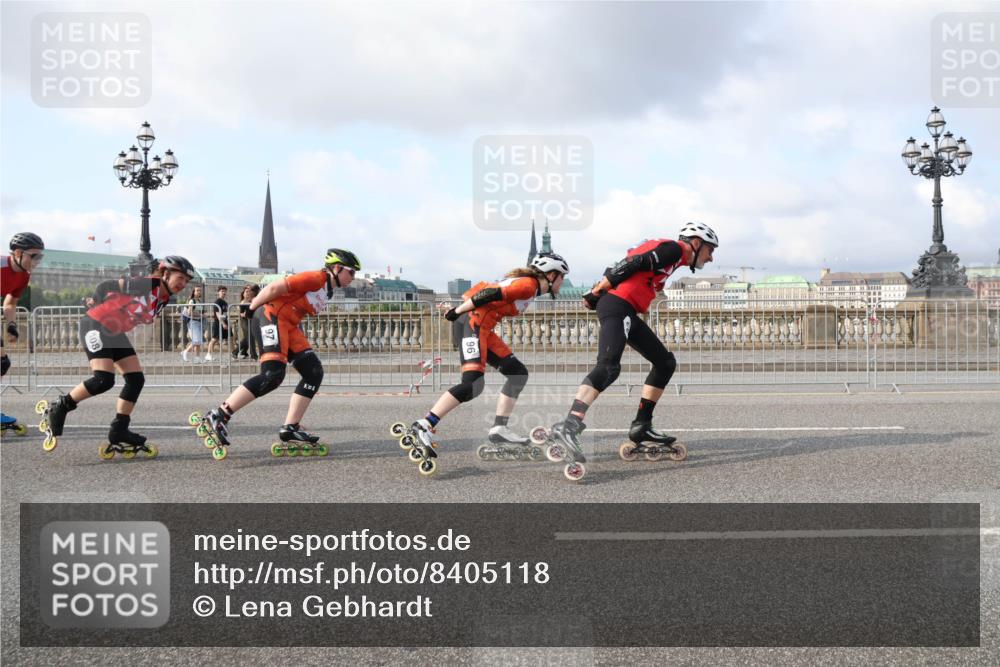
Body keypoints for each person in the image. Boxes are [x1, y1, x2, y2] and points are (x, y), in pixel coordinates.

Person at [548, 222, 719, 473]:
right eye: (710, 250)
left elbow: (626, 262)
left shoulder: (672, 258)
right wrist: (597, 290)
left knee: (665, 363)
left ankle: (642, 425)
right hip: (618, 305)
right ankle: (570, 425)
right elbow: (632, 263)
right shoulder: (675, 249)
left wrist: (600, 289)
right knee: (608, 367)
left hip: (623, 307)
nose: (711, 257)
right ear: (696, 243)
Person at [395, 252, 570, 476]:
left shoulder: (532, 288)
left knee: (517, 373)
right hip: (472, 324)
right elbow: (490, 292)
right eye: (562, 277)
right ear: (552, 275)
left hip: (484, 329)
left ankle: (499, 429)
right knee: (472, 385)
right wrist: (456, 311)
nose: (563, 282)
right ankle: (425, 424)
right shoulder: (528, 284)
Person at [193, 249, 360, 459]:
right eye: (351, 273)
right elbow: (275, 287)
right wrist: (252, 308)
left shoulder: (328, 290)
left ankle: (290, 427)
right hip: (271, 317)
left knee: (313, 372)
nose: (353, 278)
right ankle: (219, 414)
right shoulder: (316, 278)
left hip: (290, 325)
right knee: (272, 376)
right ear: (336, 268)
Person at [39, 256, 195, 457]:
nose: (183, 284)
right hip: (96, 323)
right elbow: (106, 285)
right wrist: (94, 302)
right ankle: (60, 406)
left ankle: (119, 429)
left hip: (114, 332)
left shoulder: (164, 298)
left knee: (135, 379)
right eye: (180, 278)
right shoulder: (147, 284)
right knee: (103, 379)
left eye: (186, 281)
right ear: (165, 273)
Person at [1, 233, 44, 435]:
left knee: (2, 363)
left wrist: (11, 324)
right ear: (18, 253)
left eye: (40, 257)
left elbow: (9, 302)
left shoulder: (24, 275)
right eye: (34, 256)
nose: (37, 261)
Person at [231, 284, 259, 359]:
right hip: (244, 322)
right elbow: (242, 314)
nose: (248, 293)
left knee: (248, 338)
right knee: (250, 338)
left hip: (250, 321)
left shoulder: (251, 301)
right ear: (243, 293)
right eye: (246, 291)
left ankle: (239, 352)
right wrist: (246, 314)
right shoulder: (243, 302)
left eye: (249, 291)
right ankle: (253, 355)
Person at [206, 285, 229, 361]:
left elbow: (225, 314)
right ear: (218, 292)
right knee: (214, 339)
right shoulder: (217, 302)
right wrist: (223, 323)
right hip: (218, 323)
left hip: (224, 322)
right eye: (222, 291)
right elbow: (217, 314)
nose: (224, 293)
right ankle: (208, 354)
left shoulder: (225, 303)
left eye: (225, 291)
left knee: (229, 337)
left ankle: (232, 354)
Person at [181, 286, 204, 362]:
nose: (199, 292)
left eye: (200, 290)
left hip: (198, 322)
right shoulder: (192, 301)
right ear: (194, 292)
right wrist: (200, 315)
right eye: (197, 290)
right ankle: (185, 352)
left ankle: (197, 358)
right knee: (196, 341)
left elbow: (199, 311)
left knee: (198, 342)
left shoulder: (199, 301)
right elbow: (189, 312)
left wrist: (202, 314)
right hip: (193, 322)